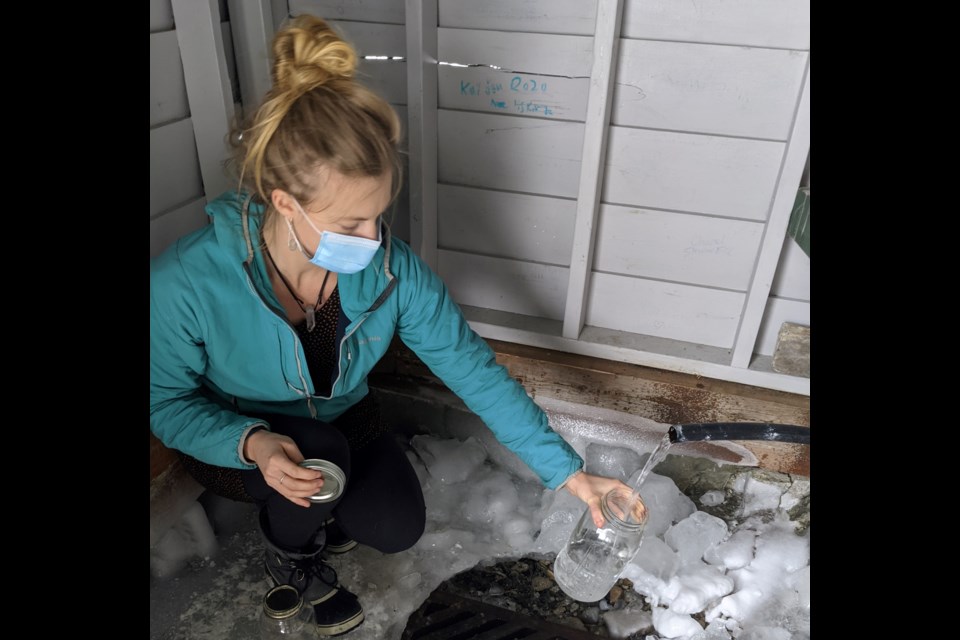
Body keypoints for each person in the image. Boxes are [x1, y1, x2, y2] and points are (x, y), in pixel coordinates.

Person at [150, 14, 642, 637]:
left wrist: (569, 473)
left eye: (379, 217)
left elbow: (473, 370)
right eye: (352, 223)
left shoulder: (390, 270)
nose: (373, 239)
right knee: (314, 457)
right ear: (284, 203)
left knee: (395, 527)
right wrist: (251, 443)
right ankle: (296, 557)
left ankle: (323, 510)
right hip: (239, 434)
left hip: (342, 414)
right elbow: (164, 402)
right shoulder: (188, 279)